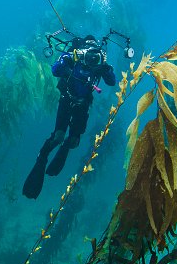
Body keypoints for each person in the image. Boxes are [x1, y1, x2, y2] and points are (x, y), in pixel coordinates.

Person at [23, 35, 116, 199]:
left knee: (73, 141)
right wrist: (69, 59)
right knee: (58, 136)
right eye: (88, 50)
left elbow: (112, 82)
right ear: (82, 48)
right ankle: (42, 156)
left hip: (84, 104)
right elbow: (54, 70)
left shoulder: (100, 64)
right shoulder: (72, 57)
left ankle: (64, 148)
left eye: (96, 51)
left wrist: (106, 67)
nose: (92, 55)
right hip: (67, 100)